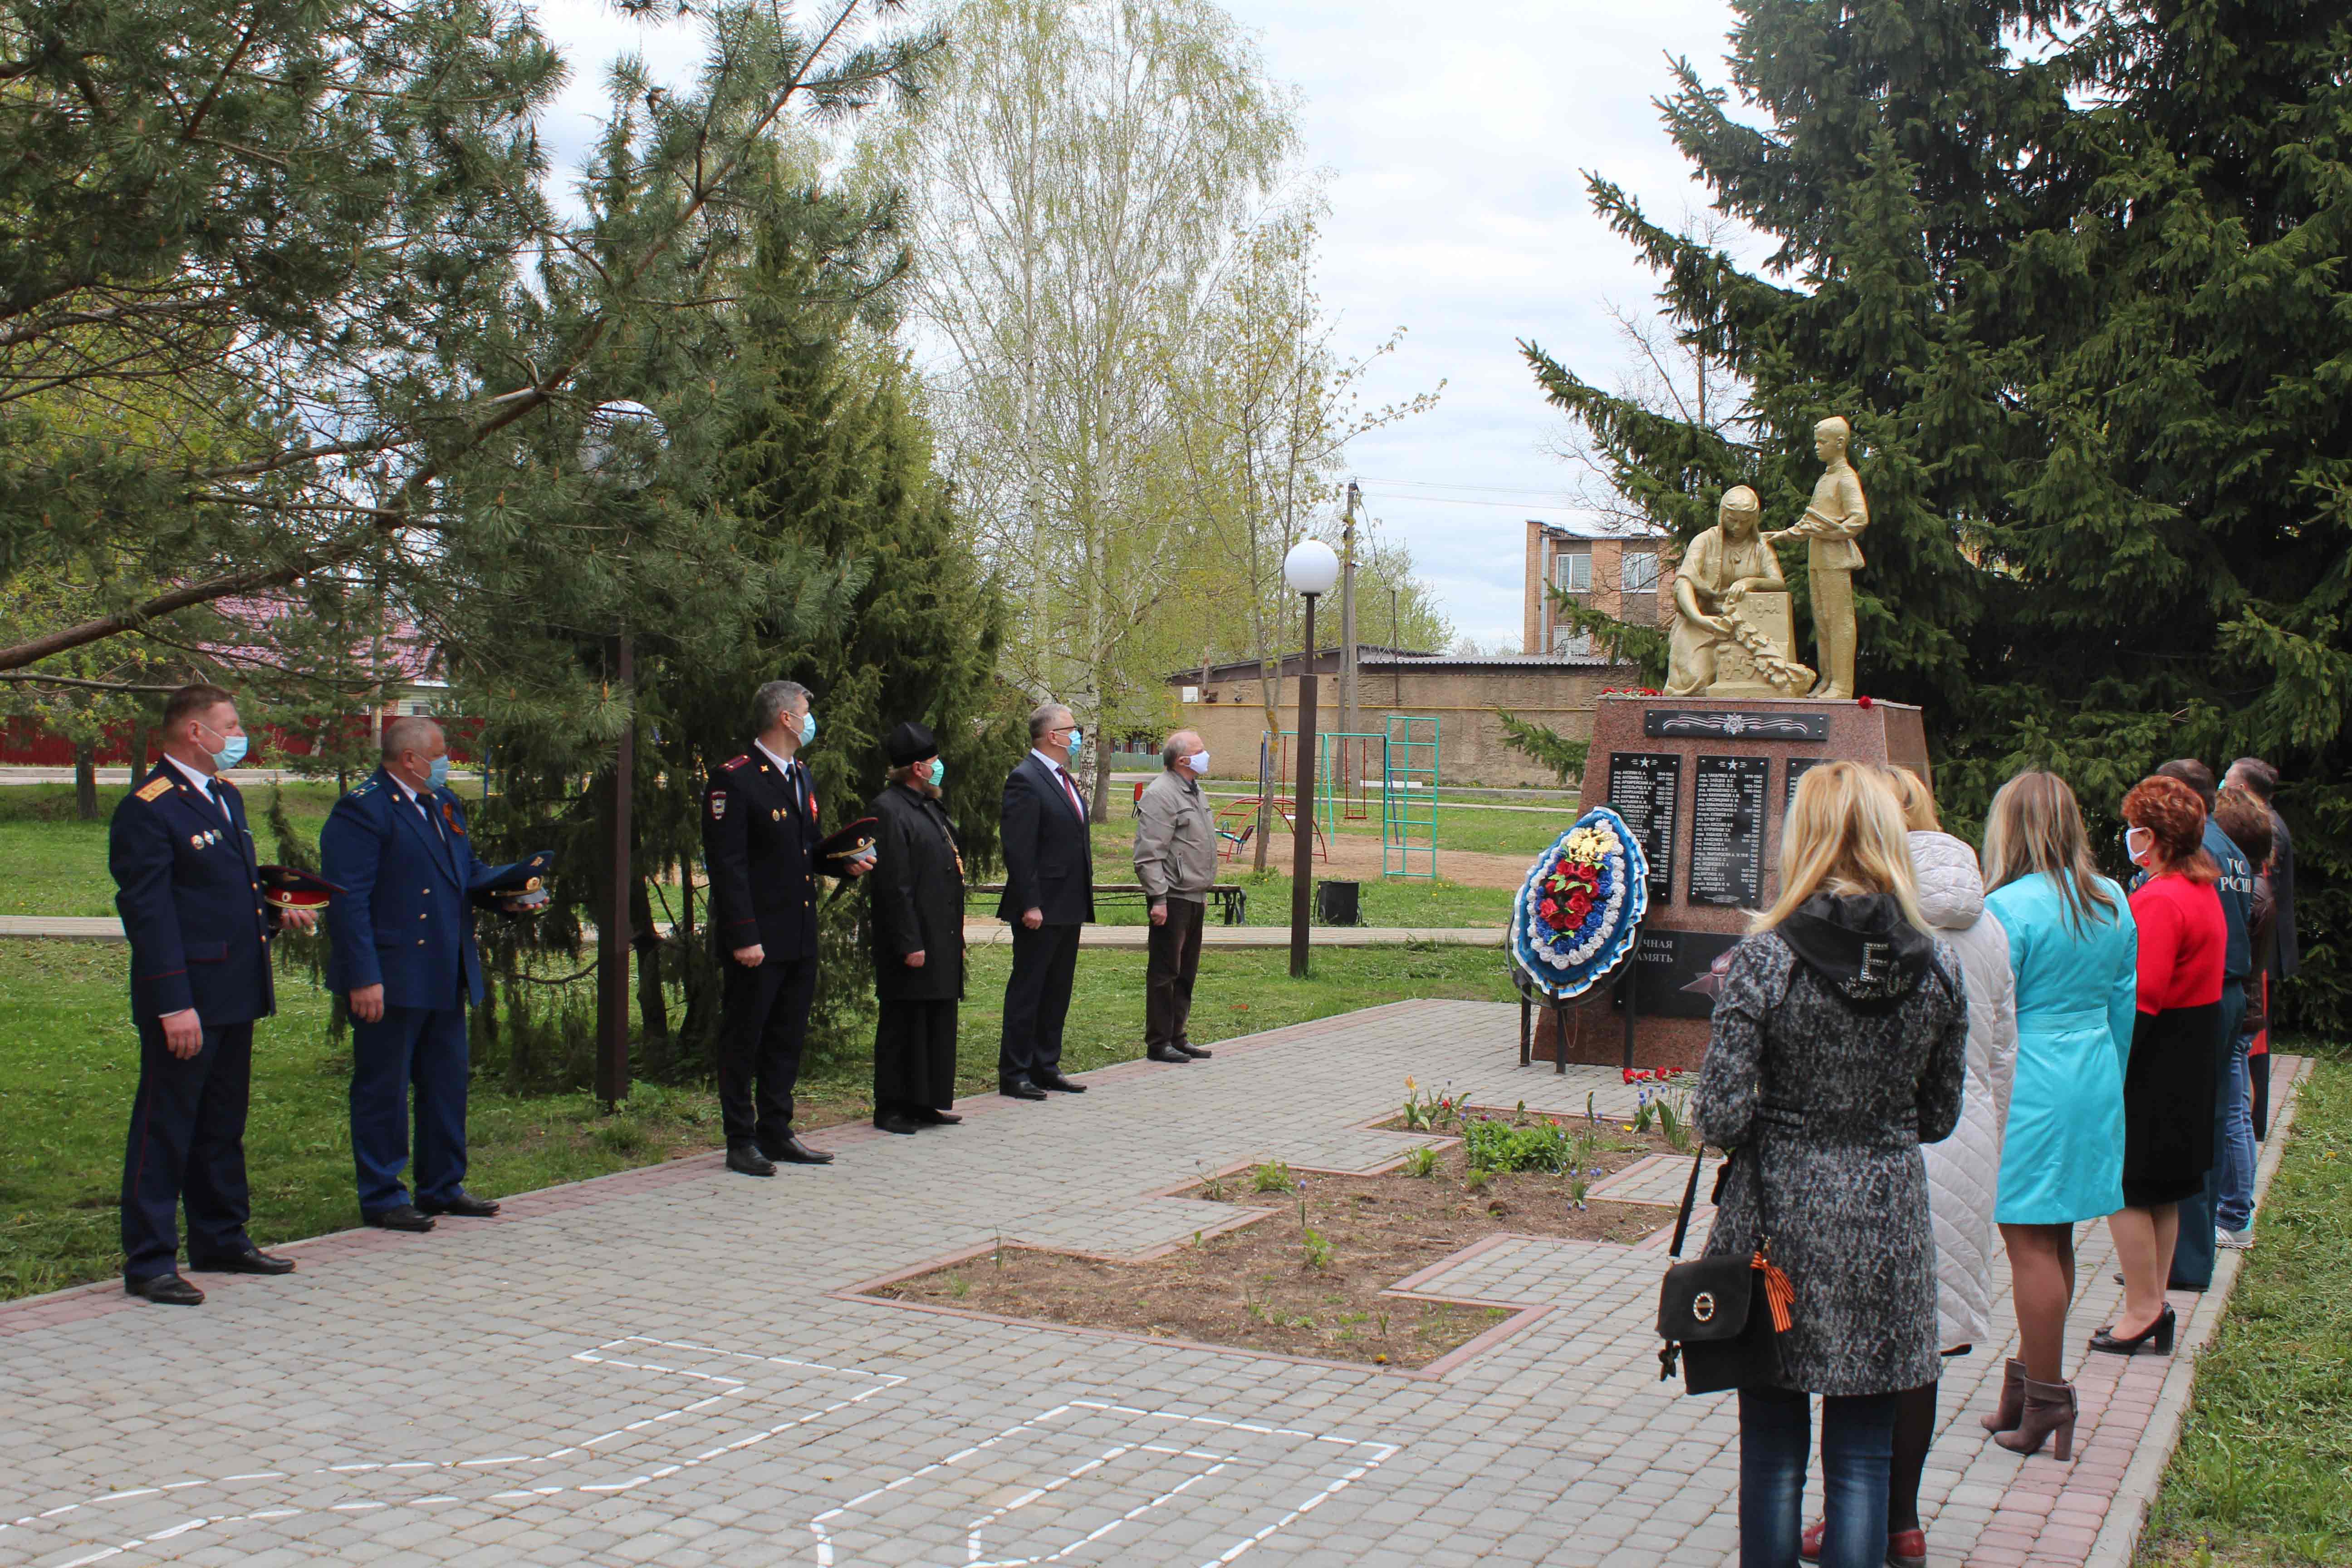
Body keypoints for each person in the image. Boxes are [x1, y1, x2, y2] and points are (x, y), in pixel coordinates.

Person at [1693, 761, 1967, 1568]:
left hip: (1776, 1227)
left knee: (1773, 1449)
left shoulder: (1766, 960)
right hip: (1885, 1220)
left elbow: (1719, 1115)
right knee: (1861, 1456)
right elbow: (1939, 1114)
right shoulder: (1933, 964)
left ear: (1803, 839)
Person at [1799, 769, 2016, 1565]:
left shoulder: (1862, 920)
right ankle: (1901, 1519)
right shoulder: (1985, 926)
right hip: (1962, 1143)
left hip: (1874, 1146)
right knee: (1921, 1346)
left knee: (1858, 1340)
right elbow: (1998, 1053)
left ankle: (1842, 1516)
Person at [111, 683, 317, 1305]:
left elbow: (221, 892)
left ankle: (221, 1236)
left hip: (234, 987)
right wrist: (173, 1002)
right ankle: (149, 1260)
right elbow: (149, 913)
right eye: (229, 725)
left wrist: (278, 911)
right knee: (166, 1126)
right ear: (195, 733)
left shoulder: (223, 795)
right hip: (188, 998)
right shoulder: (150, 807)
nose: (238, 735)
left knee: (222, 1123)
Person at [320, 717, 542, 1231]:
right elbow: (347, 900)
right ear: (410, 760)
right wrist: (362, 975)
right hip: (392, 972)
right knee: (384, 1087)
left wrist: (509, 893)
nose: (448, 761)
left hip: (446, 966)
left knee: (445, 1083)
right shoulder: (365, 808)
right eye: (441, 754)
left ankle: (443, 1185)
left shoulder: (443, 804)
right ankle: (382, 1194)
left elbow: (465, 872)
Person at [1977, 771, 2136, 1453]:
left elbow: (1991, 1016)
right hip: (2093, 1070)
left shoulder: (2007, 908)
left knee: (2028, 1242)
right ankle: (2026, 1382)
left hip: (2033, 1082)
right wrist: (2111, 1076)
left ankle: (2046, 1399)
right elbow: (2123, 1001)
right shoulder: (2112, 898)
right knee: (2058, 1236)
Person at [702, 680, 870, 1176]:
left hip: (798, 931)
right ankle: (741, 1138)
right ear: (784, 719)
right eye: (804, 712)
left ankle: (777, 1130)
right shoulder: (734, 779)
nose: (809, 721)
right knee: (745, 1037)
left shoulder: (800, 773)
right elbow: (727, 864)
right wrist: (743, 935)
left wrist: (847, 861)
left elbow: (807, 849)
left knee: (786, 1037)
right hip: (758, 935)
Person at [2102, 774, 2227, 1356]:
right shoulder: (2205, 891)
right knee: (2168, 1187)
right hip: (2192, 1049)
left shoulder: (2158, 899)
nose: (2132, 839)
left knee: (2127, 1186)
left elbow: (2140, 997)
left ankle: (2142, 1308)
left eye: (2136, 829)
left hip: (2153, 1054)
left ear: (2154, 836)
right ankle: (2158, 1298)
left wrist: (2111, 1064)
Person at [2150, 759, 2250, 1292]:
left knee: (2183, 1128)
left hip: (2197, 997)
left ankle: (2180, 1263)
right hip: (2228, 990)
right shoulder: (2230, 846)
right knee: (2211, 1122)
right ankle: (2191, 1256)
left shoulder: (2192, 853)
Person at [863, 722, 966, 1136]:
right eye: (935, 761)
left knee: (936, 1019)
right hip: (912, 935)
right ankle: (892, 1106)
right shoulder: (888, 809)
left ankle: (927, 1101)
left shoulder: (929, 805)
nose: (941, 767)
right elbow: (894, 883)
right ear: (919, 768)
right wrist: (909, 941)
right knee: (904, 1021)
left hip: (940, 932)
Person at [996, 702, 1096, 1100]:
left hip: (1068, 901)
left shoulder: (1062, 777)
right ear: (1052, 736)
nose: (1077, 735)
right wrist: (1030, 903)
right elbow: (1019, 850)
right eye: (1072, 729)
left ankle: (1046, 1064)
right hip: (1040, 906)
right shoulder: (1025, 778)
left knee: (1057, 989)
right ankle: (1016, 1071)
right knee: (1029, 989)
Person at [1764, 416, 1870, 700]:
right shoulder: (1826, 478)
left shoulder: (1846, 478)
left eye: (1823, 442)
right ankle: (1828, 679)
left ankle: (1843, 685)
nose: (1817, 447)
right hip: (1819, 558)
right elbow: (1807, 524)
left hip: (1836, 559)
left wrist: (1831, 531)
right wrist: (1782, 535)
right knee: (1823, 622)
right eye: (1817, 441)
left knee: (1839, 621)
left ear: (1840, 443)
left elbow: (1858, 519)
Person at [2212, 787, 2275, 1250]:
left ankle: (2235, 1215)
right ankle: (2234, 1208)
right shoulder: (2255, 885)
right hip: (2249, 1007)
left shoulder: (2248, 893)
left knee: (2233, 1112)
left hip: (2241, 1008)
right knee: (2235, 1105)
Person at [1133, 730, 1219, 1067]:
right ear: (1182, 760)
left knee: (1186, 971)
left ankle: (1178, 1035)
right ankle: (1159, 1041)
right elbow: (1149, 854)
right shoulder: (1161, 794)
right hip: (1171, 896)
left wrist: (1201, 889)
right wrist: (1158, 898)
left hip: (1193, 895)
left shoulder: (1194, 790)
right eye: (1200, 751)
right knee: (1166, 972)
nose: (1205, 755)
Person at [2223, 757, 2293, 1136]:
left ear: (2244, 790)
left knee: (2254, 1045)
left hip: (2257, 945)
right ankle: (2252, 1122)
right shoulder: (2268, 822)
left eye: (2228, 782)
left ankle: (2253, 1123)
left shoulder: (2266, 829)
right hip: (2260, 942)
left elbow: (2262, 887)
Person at [1665, 485, 1788, 696]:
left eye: (1744, 521)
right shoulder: (1705, 540)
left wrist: (1751, 582)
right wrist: (1698, 619)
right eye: (1732, 519)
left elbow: (1778, 582)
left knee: (1759, 684)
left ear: (1754, 519)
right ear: (1723, 515)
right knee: (1694, 681)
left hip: (1748, 624)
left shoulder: (1760, 546)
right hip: (1705, 622)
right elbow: (1684, 582)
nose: (1738, 526)